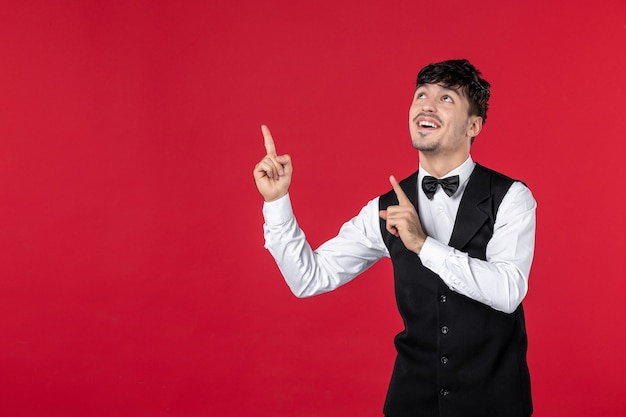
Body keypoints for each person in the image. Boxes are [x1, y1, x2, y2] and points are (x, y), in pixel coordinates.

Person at [253, 59, 536, 417]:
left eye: (446, 98)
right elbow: (309, 278)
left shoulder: (511, 197)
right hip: (410, 403)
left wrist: (423, 245)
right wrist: (277, 202)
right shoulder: (384, 208)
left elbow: (508, 292)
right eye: (421, 95)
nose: (427, 105)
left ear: (473, 125)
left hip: (495, 404)